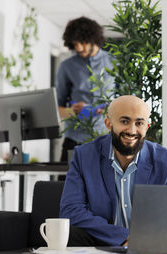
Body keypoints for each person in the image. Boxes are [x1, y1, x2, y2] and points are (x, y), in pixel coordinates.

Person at [60, 95, 167, 246]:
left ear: (147, 127)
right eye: (124, 121)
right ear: (108, 124)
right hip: (101, 242)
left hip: (149, 244)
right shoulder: (84, 156)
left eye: (139, 123)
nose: (132, 130)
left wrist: (143, 239)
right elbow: (71, 210)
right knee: (71, 234)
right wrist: (123, 237)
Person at [56, 16, 114, 163]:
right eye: (76, 44)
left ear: (94, 39)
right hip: (74, 140)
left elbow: (127, 102)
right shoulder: (67, 66)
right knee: (63, 185)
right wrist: (73, 111)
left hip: (105, 139)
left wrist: (110, 110)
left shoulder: (114, 64)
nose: (79, 48)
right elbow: (57, 108)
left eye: (83, 42)